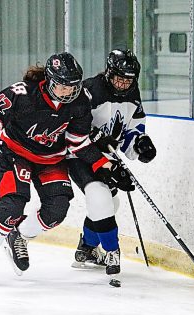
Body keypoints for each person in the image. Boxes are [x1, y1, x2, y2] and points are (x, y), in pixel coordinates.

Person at [0, 52, 133, 284]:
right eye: (63, 86)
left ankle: (19, 235)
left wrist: (105, 165)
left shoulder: (80, 100)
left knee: (57, 210)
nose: (68, 92)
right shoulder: (23, 93)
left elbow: (78, 141)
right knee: (13, 204)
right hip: (17, 154)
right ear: (50, 80)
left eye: (73, 87)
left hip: (52, 159)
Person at [68, 49, 156, 279]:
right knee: (101, 198)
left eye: (129, 80)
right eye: (120, 78)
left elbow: (131, 128)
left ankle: (86, 248)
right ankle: (110, 251)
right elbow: (71, 123)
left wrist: (140, 143)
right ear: (109, 72)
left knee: (112, 203)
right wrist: (95, 137)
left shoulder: (132, 94)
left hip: (104, 156)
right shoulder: (89, 90)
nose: (124, 84)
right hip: (79, 154)